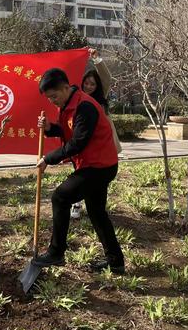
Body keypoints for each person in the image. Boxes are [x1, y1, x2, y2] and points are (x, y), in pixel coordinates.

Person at [34, 68, 125, 274]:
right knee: (97, 213)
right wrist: (50, 128)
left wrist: (48, 158)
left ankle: (56, 252)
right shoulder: (69, 103)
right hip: (95, 165)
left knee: (60, 197)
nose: (52, 101)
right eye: (49, 98)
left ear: (66, 88)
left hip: (98, 167)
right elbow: (68, 130)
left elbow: (77, 142)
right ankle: (116, 261)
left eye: (54, 96)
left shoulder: (85, 106)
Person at [71, 48, 122, 219]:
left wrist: (97, 59)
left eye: (92, 84)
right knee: (79, 171)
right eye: (86, 83)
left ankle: (98, 207)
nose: (89, 86)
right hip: (82, 142)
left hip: (102, 143)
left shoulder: (100, 97)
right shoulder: (75, 97)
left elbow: (107, 78)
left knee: (100, 175)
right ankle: (76, 203)